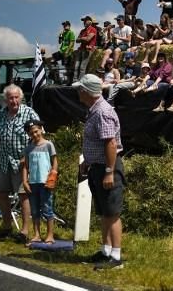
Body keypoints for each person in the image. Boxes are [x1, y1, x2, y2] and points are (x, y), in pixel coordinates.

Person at [76, 74, 125, 270]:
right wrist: (88, 162)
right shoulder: (94, 110)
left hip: (107, 167)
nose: (78, 92)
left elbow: (110, 143)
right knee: (104, 211)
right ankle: (106, 251)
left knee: (112, 212)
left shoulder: (102, 111)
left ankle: (116, 256)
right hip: (97, 166)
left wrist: (109, 171)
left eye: (80, 89)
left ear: (87, 92)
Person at [0, 84, 37, 239]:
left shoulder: (29, 113)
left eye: (16, 97)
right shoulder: (1, 114)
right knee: (0, 192)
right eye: (10, 98)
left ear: (21, 98)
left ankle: (24, 231)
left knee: (23, 195)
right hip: (5, 161)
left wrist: (28, 157)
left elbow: (38, 138)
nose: (13, 100)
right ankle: (6, 225)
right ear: (6, 99)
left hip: (22, 163)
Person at [21, 119, 58, 245]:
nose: (35, 135)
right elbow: (25, 166)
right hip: (33, 183)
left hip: (45, 182)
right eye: (31, 133)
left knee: (47, 208)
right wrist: (25, 181)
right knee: (35, 210)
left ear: (41, 129)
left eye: (36, 131)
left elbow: (55, 162)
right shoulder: (28, 148)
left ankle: (50, 235)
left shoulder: (48, 145)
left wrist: (52, 178)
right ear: (28, 134)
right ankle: (37, 234)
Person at [75, 15, 98, 80]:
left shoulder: (93, 29)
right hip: (81, 49)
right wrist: (83, 38)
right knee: (76, 67)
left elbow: (88, 39)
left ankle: (80, 81)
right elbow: (76, 40)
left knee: (82, 67)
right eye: (83, 21)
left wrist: (81, 38)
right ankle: (74, 81)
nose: (84, 22)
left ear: (90, 22)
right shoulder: (82, 30)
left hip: (87, 49)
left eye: (85, 21)